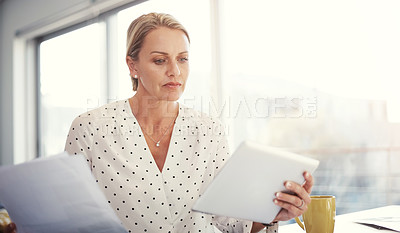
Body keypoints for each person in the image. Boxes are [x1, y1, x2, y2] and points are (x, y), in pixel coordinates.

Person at [6, 12, 314, 233]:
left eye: (182, 59)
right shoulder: (91, 128)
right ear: (133, 65)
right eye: (159, 60)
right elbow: (70, 218)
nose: (175, 72)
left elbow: (232, 223)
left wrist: (274, 213)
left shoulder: (208, 130)